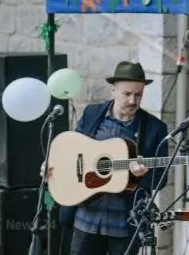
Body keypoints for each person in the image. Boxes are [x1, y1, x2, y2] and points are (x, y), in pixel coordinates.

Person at [50, 62, 169, 255]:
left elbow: (162, 178)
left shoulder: (155, 128)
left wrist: (142, 176)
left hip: (124, 224)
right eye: (127, 94)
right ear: (113, 90)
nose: (133, 100)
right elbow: (71, 150)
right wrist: (54, 167)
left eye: (138, 94)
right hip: (86, 219)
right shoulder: (92, 114)